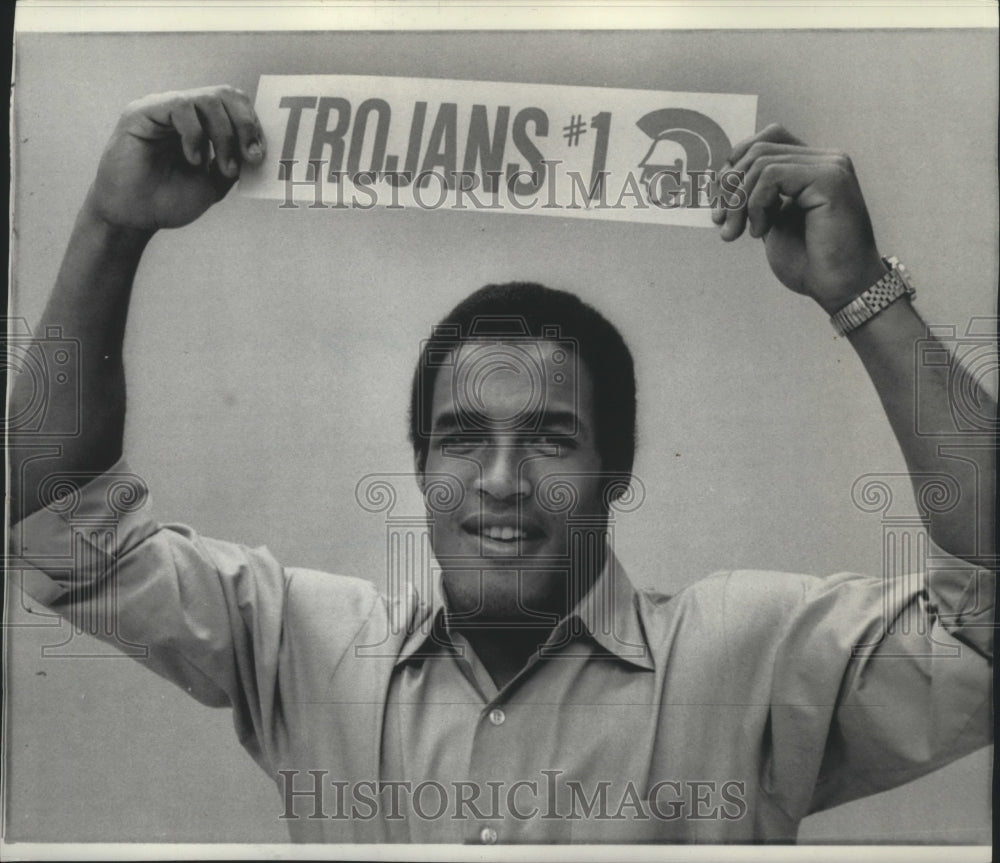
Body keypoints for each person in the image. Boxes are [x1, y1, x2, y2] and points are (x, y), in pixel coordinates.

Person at [7, 85, 994, 844]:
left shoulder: (743, 658)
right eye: (463, 435)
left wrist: (861, 290)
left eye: (553, 437)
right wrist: (110, 223)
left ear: (617, 469)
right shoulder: (303, 643)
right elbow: (57, 519)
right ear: (422, 467)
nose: (502, 478)